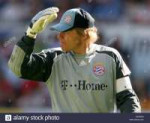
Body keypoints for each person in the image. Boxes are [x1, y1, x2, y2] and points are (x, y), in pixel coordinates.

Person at [8, 7, 141, 113]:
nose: (59, 37)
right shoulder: (52, 59)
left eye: (65, 32)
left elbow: (127, 98)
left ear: (84, 35)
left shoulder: (111, 57)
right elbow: (18, 69)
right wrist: (30, 35)